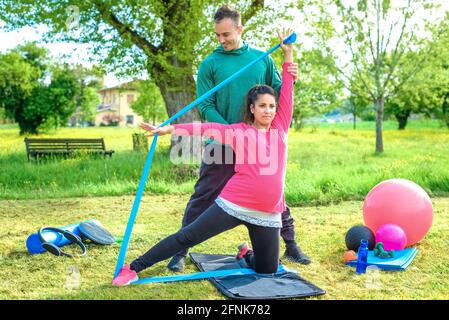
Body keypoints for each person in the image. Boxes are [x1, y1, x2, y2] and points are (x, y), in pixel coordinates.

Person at [113, 28, 299, 286]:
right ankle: (134, 267)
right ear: (252, 109)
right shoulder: (238, 132)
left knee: (267, 271)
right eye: (262, 106)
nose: (268, 110)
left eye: (271, 106)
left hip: (268, 214)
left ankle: (246, 253)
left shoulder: (280, 129)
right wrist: (169, 129)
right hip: (235, 204)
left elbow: (287, 90)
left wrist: (287, 53)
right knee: (188, 236)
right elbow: (202, 128)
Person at [165, 5, 310, 272]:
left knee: (274, 195)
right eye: (217, 35)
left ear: (240, 29)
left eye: (226, 34)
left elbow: (277, 94)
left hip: (258, 145)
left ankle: (291, 244)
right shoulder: (209, 64)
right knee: (202, 196)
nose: (221, 40)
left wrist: (292, 76)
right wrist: (234, 133)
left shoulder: (261, 59)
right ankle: (180, 251)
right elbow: (206, 106)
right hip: (221, 145)